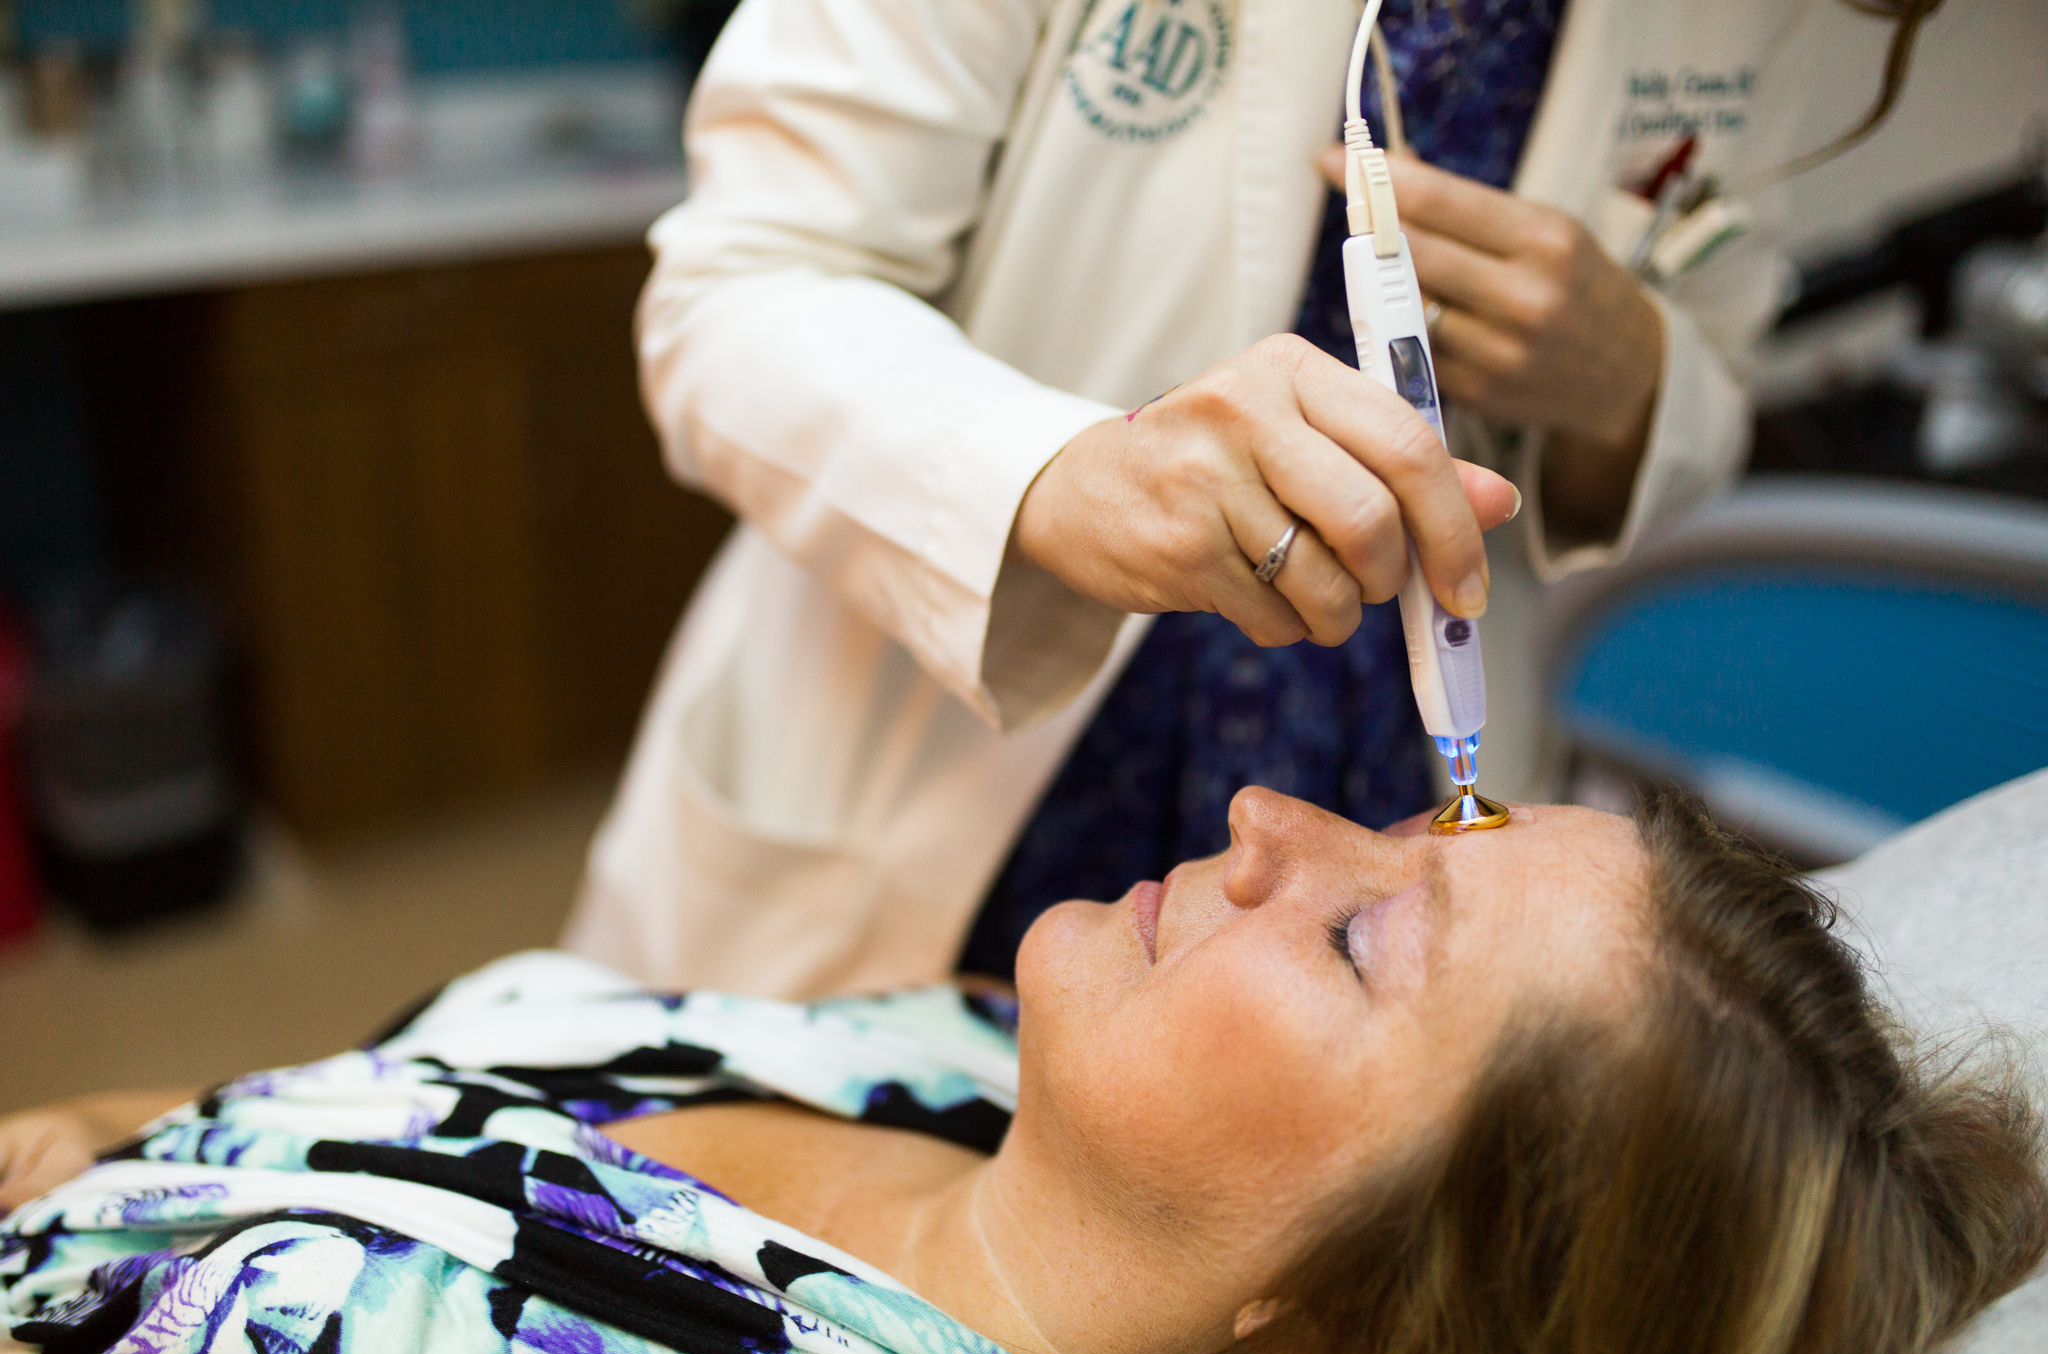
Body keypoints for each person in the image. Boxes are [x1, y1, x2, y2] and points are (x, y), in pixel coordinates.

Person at [564, 0, 1947, 997]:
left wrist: (1634, 375)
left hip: (1394, 791)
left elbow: (1710, 365)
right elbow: (733, 294)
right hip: (942, 760)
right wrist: (1056, 476)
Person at [5, 792, 2043, 1354]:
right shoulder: (965, 1046)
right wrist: (120, 1145)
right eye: (1427, 822)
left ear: (1353, 1314)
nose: (1267, 815)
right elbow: (413, 1116)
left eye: (1360, 935)